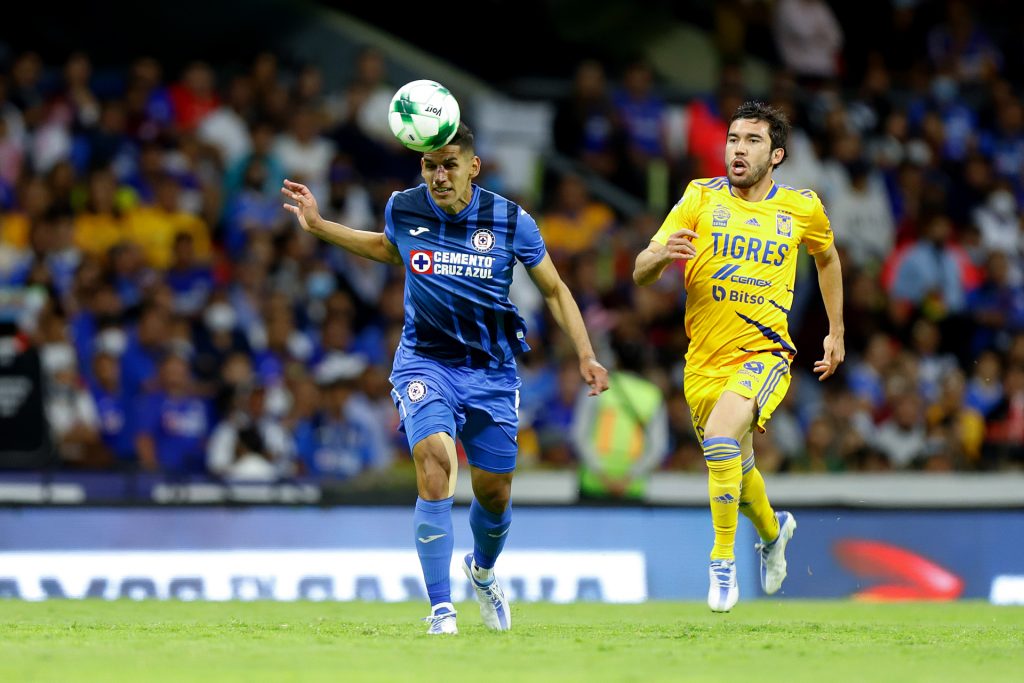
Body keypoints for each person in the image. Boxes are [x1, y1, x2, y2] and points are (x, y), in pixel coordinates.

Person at [281, 122, 609, 634]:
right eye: (430, 166)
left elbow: (554, 288)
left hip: (492, 372)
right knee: (434, 460)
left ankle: (481, 572)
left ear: (473, 167)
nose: (438, 176)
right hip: (425, 362)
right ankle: (441, 609)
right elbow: (390, 249)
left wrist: (586, 354)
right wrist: (321, 225)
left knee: (495, 492)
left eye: (449, 165)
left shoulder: (509, 219)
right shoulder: (403, 207)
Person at [633, 101, 845, 612]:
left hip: (765, 354)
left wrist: (836, 330)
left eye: (751, 141)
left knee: (724, 439)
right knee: (735, 464)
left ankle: (722, 563)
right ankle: (774, 534)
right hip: (702, 363)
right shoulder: (698, 198)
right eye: (732, 139)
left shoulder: (801, 208)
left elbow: (828, 256)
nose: (737, 150)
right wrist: (660, 255)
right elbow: (641, 269)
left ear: (776, 155)